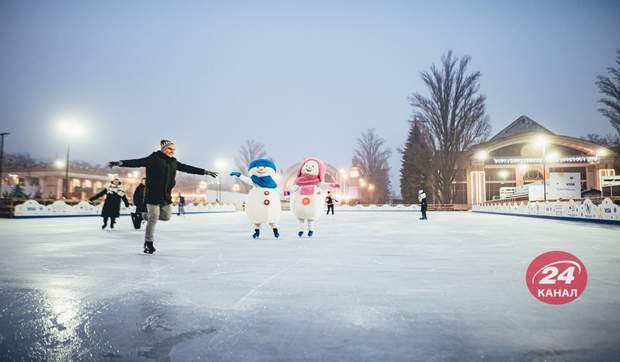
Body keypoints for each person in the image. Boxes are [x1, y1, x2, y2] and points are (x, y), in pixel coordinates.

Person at [108, 139, 218, 254]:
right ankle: (148, 243)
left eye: (174, 149)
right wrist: (121, 163)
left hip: (165, 195)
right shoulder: (154, 158)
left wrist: (205, 172)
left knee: (166, 217)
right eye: (170, 149)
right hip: (152, 194)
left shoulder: (174, 162)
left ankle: (141, 216)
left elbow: (188, 168)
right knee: (154, 217)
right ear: (163, 148)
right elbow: (138, 162)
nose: (172, 151)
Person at [230, 158, 281, 239]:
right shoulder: (255, 181)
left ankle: (275, 231)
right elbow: (248, 181)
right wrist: (240, 175)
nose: (261, 169)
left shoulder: (272, 183)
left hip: (270, 203)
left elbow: (277, 191)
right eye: (257, 167)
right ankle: (256, 232)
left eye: (264, 167)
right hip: (258, 201)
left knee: (271, 218)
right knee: (257, 217)